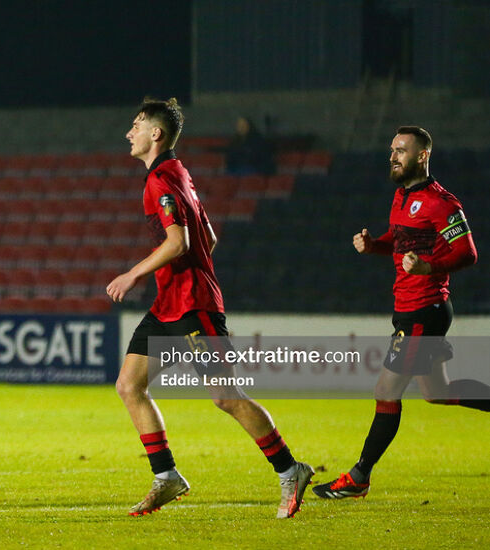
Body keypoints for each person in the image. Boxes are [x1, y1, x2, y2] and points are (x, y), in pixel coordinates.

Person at [107, 98, 313, 519]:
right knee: (129, 385)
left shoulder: (161, 181)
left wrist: (133, 274)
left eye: (136, 125)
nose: (130, 133)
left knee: (224, 396)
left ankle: (291, 469)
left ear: (156, 135)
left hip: (193, 306)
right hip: (169, 305)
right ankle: (166, 477)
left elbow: (179, 242)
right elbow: (209, 237)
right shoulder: (179, 174)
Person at [313, 126, 488, 500]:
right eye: (392, 149)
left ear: (422, 156)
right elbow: (401, 240)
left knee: (385, 391)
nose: (393, 156)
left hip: (425, 309)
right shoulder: (401, 196)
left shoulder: (443, 203)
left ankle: (360, 477)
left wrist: (428, 267)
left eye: (402, 151)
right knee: (438, 392)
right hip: (411, 308)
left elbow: (468, 253)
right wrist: (375, 245)